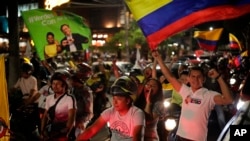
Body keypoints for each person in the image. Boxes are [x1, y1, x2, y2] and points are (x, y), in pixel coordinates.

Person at [152, 50, 233, 141]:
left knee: (220, 116)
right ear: (189, 79)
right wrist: (158, 58)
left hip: (197, 139)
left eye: (199, 77)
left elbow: (228, 100)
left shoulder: (209, 95)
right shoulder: (185, 91)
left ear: (204, 79)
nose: (196, 79)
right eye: (193, 76)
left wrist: (218, 77)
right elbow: (170, 77)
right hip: (180, 137)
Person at [77, 76, 145, 141]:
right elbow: (92, 130)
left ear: (128, 100)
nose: (114, 102)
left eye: (119, 99)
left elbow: (137, 136)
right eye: (114, 98)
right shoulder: (110, 112)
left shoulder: (137, 113)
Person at [40, 71, 77, 141]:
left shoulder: (69, 98)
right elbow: (45, 116)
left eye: (58, 84)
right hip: (52, 130)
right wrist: (42, 131)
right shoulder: (49, 98)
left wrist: (66, 132)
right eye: (53, 83)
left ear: (65, 85)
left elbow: (71, 118)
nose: (55, 86)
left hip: (64, 132)